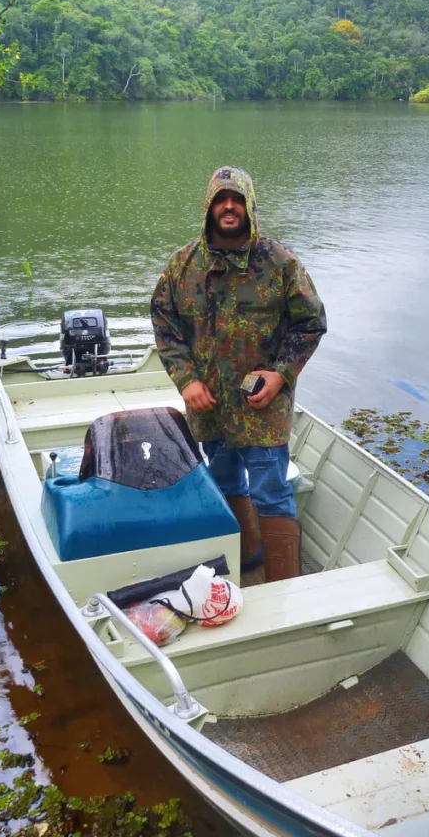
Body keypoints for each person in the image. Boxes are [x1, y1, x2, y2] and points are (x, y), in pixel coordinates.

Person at [150, 166, 327, 581]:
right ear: (208, 206)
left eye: (237, 199)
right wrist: (187, 380)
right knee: (224, 476)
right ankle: (247, 558)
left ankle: (284, 583)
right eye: (220, 199)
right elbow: (164, 324)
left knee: (271, 489)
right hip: (210, 404)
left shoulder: (281, 263)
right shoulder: (181, 266)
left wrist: (281, 374)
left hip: (261, 404)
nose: (228, 207)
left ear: (249, 205)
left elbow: (310, 324)